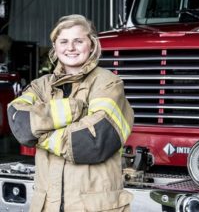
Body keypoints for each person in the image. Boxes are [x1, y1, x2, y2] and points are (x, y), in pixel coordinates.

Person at [7, 14, 134, 212]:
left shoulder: (108, 83)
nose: (71, 48)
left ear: (91, 45)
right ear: (55, 47)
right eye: (63, 41)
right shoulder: (41, 86)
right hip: (48, 206)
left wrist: (40, 134)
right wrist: (71, 109)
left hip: (95, 207)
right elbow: (20, 124)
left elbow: (92, 143)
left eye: (78, 41)